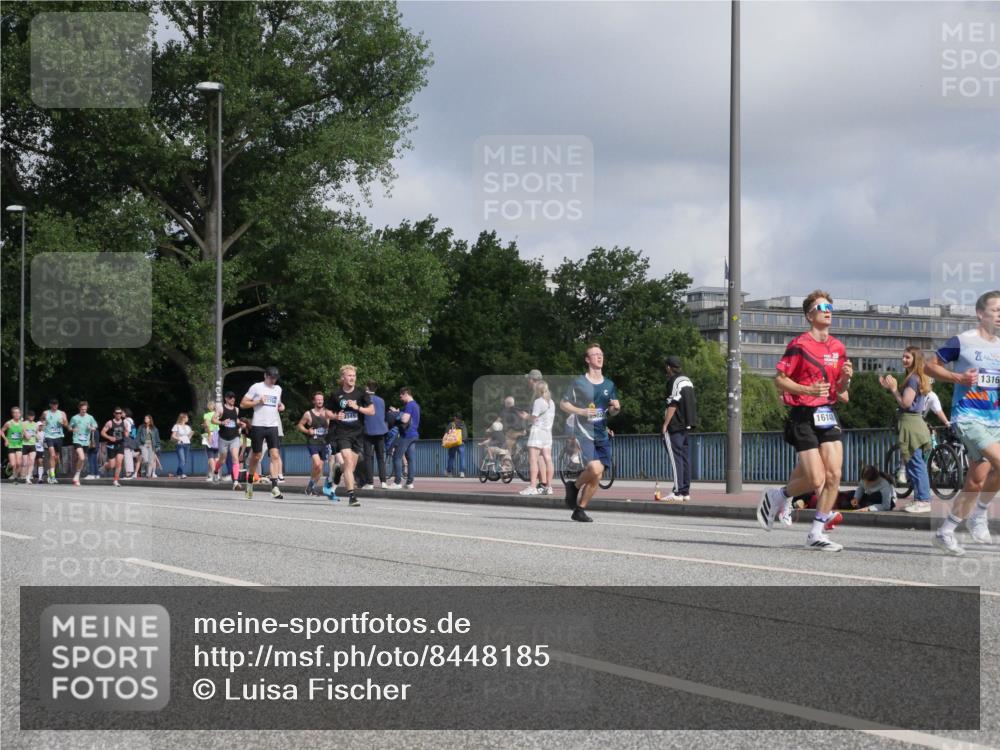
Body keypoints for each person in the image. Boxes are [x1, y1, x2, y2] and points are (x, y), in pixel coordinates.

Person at [757, 290, 853, 551]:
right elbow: (779, 380)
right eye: (822, 307)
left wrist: (846, 378)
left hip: (827, 413)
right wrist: (807, 390)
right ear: (810, 316)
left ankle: (816, 533)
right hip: (802, 415)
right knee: (815, 479)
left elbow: (841, 391)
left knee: (834, 475)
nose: (828, 311)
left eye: (830, 307)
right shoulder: (799, 345)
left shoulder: (838, 347)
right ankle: (779, 495)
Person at [924, 290, 1000, 556]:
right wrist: (959, 378)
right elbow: (929, 367)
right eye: (996, 310)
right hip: (968, 417)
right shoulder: (962, 341)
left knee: (976, 483)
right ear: (980, 313)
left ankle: (945, 532)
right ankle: (979, 515)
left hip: (994, 420)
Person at [560, 343, 621, 522]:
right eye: (595, 354)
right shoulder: (579, 382)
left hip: (602, 433)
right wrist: (581, 411)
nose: (599, 357)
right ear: (587, 359)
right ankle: (574, 487)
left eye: (601, 354)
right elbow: (563, 404)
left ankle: (580, 508)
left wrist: (616, 408)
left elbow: (611, 412)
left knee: (598, 475)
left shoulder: (609, 384)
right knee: (594, 468)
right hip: (584, 433)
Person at [879, 346, 934, 513]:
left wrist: (894, 389)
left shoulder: (912, 379)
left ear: (915, 359)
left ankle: (923, 500)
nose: (904, 359)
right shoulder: (917, 377)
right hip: (915, 423)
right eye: (903, 356)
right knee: (914, 464)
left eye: (907, 357)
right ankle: (919, 499)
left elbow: (905, 403)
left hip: (911, 424)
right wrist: (890, 388)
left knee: (916, 464)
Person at [327, 365, 373, 507]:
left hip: (358, 434)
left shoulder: (361, 393)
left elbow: (372, 411)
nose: (352, 378)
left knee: (350, 467)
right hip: (342, 433)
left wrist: (357, 407)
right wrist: (335, 416)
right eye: (349, 375)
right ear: (343, 378)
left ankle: (338, 470)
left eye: (354, 376)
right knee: (347, 460)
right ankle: (352, 496)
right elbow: (326, 412)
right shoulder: (336, 394)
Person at [241, 366, 285, 500]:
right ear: (265, 376)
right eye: (271, 378)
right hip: (258, 425)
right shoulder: (256, 387)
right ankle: (249, 482)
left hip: (273, 426)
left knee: (275, 455)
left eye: (275, 378)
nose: (273, 380)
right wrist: (257, 401)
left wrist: (281, 406)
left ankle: (274, 487)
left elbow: (278, 403)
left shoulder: (278, 389)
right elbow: (243, 404)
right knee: (256, 456)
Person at [662, 355, 697, 502]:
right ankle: (685, 491)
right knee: (685, 459)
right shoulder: (687, 380)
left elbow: (673, 403)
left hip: (675, 425)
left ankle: (677, 492)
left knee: (675, 458)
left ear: (669, 367)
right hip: (687, 424)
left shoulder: (673, 381)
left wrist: (665, 424)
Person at [521, 383, 555, 495]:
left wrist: (526, 416)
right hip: (548, 434)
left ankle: (532, 487)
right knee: (548, 459)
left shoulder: (538, 401)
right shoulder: (551, 402)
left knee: (533, 459)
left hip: (537, 432)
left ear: (537, 391)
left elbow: (534, 418)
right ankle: (549, 487)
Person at [298, 391, 333, 497]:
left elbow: (332, 424)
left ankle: (311, 486)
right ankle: (311, 486)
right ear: (314, 401)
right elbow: (300, 425)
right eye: (317, 400)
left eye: (321, 399)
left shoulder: (327, 412)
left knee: (320, 469)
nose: (319, 401)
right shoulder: (308, 414)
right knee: (317, 464)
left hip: (324, 443)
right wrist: (307, 431)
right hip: (313, 442)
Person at [388, 387, 420, 489]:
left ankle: (397, 482)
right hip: (414, 434)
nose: (400, 399)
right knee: (411, 459)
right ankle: (410, 483)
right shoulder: (416, 405)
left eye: (401, 396)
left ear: (406, 394)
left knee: (396, 457)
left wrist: (395, 414)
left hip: (406, 435)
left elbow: (405, 419)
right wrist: (399, 412)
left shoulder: (409, 405)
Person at [361, 381, 388, 489]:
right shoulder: (381, 400)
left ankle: (370, 482)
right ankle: (383, 482)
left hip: (368, 430)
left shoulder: (364, 399)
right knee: (380, 457)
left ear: (367, 387)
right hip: (381, 430)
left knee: (368, 457)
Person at [212, 392, 243, 489]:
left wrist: (241, 423)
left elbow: (236, 420)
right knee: (222, 460)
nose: (232, 399)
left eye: (233, 397)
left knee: (235, 458)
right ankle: (215, 472)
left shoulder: (236, 409)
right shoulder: (221, 409)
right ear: (226, 399)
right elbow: (213, 420)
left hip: (234, 437)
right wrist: (222, 422)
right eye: (230, 397)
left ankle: (236, 482)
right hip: (223, 438)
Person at [68, 401, 99, 486]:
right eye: (82, 409)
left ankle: (76, 476)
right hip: (77, 440)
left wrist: (92, 428)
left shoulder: (90, 417)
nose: (84, 411)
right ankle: (77, 476)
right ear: (79, 409)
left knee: (82, 459)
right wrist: (73, 429)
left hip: (86, 441)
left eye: (85, 409)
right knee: (81, 458)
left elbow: (95, 426)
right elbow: (69, 427)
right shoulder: (75, 418)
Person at [41, 398, 69, 483]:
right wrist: (43, 424)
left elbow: (67, 425)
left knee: (57, 457)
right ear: (50, 405)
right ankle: (52, 476)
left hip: (59, 436)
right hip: (49, 436)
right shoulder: (46, 413)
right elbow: (41, 421)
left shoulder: (62, 413)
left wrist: (63, 423)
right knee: (52, 455)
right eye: (53, 404)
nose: (55, 406)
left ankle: (50, 471)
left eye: (56, 404)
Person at [100, 407, 128, 487]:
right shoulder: (110, 423)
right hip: (111, 445)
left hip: (120, 444)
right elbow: (102, 432)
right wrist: (109, 437)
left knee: (119, 462)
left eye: (120, 413)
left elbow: (126, 434)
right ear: (114, 414)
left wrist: (126, 433)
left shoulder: (124, 423)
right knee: (112, 465)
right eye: (117, 413)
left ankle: (115, 480)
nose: (119, 415)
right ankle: (105, 465)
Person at [1, 407, 25, 483]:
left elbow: (23, 432)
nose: (17, 414)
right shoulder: (9, 423)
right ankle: (9, 465)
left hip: (19, 445)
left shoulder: (22, 423)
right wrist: (6, 439)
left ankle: (15, 476)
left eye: (18, 413)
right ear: (12, 414)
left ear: (20, 414)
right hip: (11, 445)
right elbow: (1, 431)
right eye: (15, 413)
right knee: (13, 464)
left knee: (19, 463)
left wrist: (24, 435)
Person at [202, 399, 221, 483]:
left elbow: (207, 426)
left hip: (210, 434)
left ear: (208, 407)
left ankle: (214, 474)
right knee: (216, 456)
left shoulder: (206, 415)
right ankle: (217, 473)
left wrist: (208, 433)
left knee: (210, 456)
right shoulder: (218, 414)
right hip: (218, 435)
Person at [444, 412, 467, 479]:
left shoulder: (452, 424)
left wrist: (444, 441)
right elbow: (465, 433)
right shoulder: (463, 424)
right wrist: (463, 440)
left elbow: (446, 432)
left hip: (453, 442)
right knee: (462, 457)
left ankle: (449, 472)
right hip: (461, 442)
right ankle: (462, 472)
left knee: (451, 457)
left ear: (455, 417)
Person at [171, 413, 193, 478]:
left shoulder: (188, 427)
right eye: (187, 417)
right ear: (183, 418)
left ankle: (178, 474)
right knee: (182, 460)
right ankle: (183, 473)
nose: (188, 419)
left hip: (187, 444)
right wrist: (178, 439)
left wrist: (191, 434)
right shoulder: (176, 426)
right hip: (180, 444)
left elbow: (188, 437)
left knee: (184, 460)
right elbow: (173, 435)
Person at [20, 410, 38, 484]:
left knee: (32, 460)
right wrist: (25, 435)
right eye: (30, 415)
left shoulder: (35, 424)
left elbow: (36, 434)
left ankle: (28, 477)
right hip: (24, 444)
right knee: (25, 462)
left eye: (33, 416)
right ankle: (22, 475)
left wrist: (37, 436)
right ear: (28, 416)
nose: (31, 417)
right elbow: (21, 435)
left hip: (32, 444)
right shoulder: (24, 423)